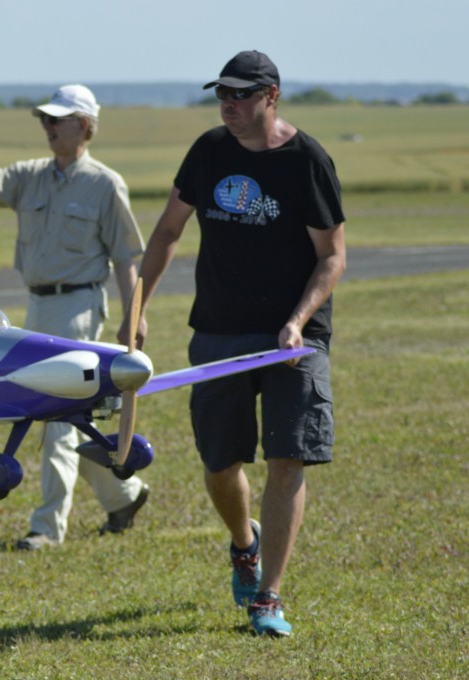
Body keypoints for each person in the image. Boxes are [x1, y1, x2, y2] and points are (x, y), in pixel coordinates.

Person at [120, 51, 346, 636]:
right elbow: (168, 231)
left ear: (272, 96)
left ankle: (268, 596)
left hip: (293, 340)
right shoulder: (209, 151)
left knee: (286, 457)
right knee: (221, 464)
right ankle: (244, 545)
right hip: (219, 330)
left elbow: (332, 257)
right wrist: (137, 310)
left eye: (242, 94)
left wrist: (297, 321)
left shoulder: (307, 161)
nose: (229, 104)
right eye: (223, 93)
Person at [0, 84, 150, 551]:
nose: (47, 127)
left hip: (79, 307)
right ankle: (124, 496)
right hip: (37, 307)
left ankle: (46, 528)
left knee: (54, 416)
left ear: (84, 126)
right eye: (44, 119)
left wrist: (134, 317)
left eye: (56, 120)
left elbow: (126, 257)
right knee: (68, 413)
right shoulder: (30, 176)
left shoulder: (105, 184)